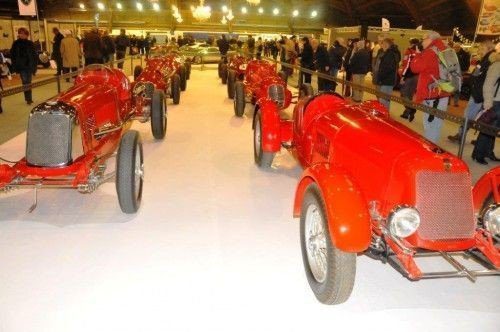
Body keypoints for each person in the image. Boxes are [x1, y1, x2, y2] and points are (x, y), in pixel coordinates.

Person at [448, 41, 496, 143]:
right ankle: (476, 140)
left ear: (488, 48)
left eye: (481, 48)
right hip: (479, 93)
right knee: (482, 118)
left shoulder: (488, 61)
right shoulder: (485, 60)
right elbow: (476, 75)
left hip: (479, 94)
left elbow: (479, 77)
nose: (479, 51)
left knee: (470, 115)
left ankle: (461, 136)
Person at [410, 31, 451, 143]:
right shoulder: (446, 49)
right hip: (444, 91)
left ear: (429, 39)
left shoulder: (430, 51)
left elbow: (415, 68)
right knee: (437, 122)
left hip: (432, 93)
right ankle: (433, 144)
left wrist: (418, 54)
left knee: (430, 123)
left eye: (423, 39)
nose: (422, 42)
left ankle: (429, 149)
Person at [471, 51, 500, 164]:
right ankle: (478, 154)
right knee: (487, 130)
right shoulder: (497, 65)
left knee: (494, 130)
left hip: (498, 102)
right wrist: (488, 102)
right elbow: (488, 84)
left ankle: (488, 152)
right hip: (494, 102)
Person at [10, 27, 37, 105]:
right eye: (20, 33)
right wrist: (14, 67)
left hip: (29, 65)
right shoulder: (16, 43)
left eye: (23, 33)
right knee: (25, 82)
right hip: (21, 66)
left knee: (29, 82)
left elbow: (34, 55)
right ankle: (28, 99)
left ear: (26, 34)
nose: (21, 35)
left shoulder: (30, 43)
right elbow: (13, 55)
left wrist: (34, 67)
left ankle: (29, 98)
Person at [375, 38, 400, 111]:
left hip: (386, 80)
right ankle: (385, 113)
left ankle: (384, 114)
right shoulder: (392, 53)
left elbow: (386, 68)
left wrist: (380, 78)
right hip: (389, 80)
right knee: (385, 99)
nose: (381, 46)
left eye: (382, 44)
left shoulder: (389, 54)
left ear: (386, 45)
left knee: (384, 100)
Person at [399, 38, 421, 121]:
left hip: (408, 76)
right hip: (416, 76)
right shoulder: (420, 52)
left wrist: (403, 76)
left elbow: (406, 64)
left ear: (411, 44)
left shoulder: (409, 51)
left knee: (403, 94)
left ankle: (411, 108)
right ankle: (406, 113)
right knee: (410, 95)